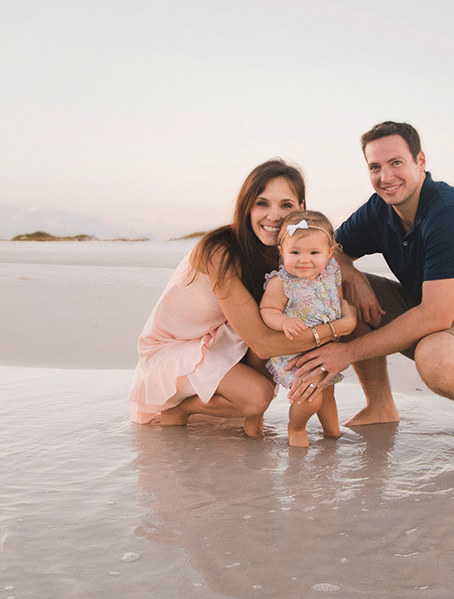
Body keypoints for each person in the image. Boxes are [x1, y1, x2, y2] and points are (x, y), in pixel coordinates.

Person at [289, 121, 454, 439]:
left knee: (435, 359)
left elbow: (436, 315)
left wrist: (347, 353)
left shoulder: (451, 214)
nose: (385, 177)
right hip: (436, 319)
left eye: (396, 163)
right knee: (338, 289)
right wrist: (355, 279)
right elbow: (329, 250)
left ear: (420, 161)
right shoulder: (379, 209)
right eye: (375, 167)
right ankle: (380, 406)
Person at [129, 159, 347, 437]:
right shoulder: (219, 252)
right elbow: (263, 344)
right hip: (175, 350)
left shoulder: (288, 253)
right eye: (262, 204)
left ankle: (251, 420)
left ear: (301, 208)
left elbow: (325, 285)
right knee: (256, 397)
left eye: (286, 205)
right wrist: (340, 328)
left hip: (222, 338)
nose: (274, 216)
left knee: (279, 329)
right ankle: (180, 410)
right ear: (247, 207)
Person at [258, 210, 358, 446]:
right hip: (294, 354)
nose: (304, 260)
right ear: (282, 252)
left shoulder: (331, 274)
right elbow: (267, 310)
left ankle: (332, 432)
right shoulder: (280, 283)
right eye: (295, 252)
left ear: (329, 254)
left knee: (328, 391)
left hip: (325, 349)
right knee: (310, 398)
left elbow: (337, 299)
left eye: (314, 253)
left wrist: (345, 311)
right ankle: (296, 428)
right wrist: (284, 322)